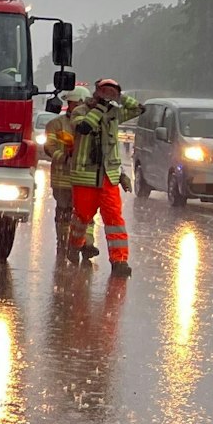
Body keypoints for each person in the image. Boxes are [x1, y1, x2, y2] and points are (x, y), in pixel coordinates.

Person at [68, 77, 143, 277]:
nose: (106, 97)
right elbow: (85, 128)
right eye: (104, 92)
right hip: (85, 175)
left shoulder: (114, 114)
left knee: (114, 219)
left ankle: (120, 261)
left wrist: (120, 96)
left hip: (108, 177)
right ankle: (75, 245)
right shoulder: (80, 112)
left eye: (110, 92)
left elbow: (139, 110)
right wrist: (100, 107)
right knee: (83, 216)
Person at [42, 86, 93, 263]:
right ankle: (63, 244)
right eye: (72, 104)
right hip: (63, 178)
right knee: (64, 212)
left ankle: (86, 244)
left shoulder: (91, 124)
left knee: (85, 213)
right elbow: (50, 148)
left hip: (85, 179)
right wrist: (65, 158)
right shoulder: (56, 125)